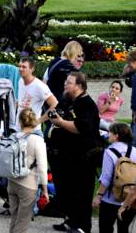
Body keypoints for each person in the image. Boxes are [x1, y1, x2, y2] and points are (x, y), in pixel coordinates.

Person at [44, 72, 100, 233]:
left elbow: (80, 128)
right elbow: (56, 111)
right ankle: (71, 220)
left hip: (82, 157)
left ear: (79, 86)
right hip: (64, 156)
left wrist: (60, 122)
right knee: (66, 191)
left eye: (69, 82)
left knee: (81, 192)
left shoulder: (86, 104)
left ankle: (83, 226)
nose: (65, 84)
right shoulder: (68, 99)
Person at [7, 108, 48, 233]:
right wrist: (45, 189)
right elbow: (42, 166)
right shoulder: (37, 140)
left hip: (11, 181)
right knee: (23, 222)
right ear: (35, 121)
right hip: (28, 184)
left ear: (20, 121)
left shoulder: (12, 136)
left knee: (14, 217)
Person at [93, 123, 136, 233]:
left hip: (111, 199)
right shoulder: (135, 151)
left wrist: (98, 196)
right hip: (130, 199)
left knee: (106, 228)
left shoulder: (109, 152)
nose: (108, 135)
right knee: (124, 229)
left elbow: (106, 178)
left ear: (116, 136)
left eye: (110, 132)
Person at [14, 56, 57, 131]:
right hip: (19, 128)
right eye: (19, 66)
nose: (20, 69)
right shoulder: (20, 81)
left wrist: (38, 121)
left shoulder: (40, 86)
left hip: (32, 131)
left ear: (32, 69)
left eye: (24, 67)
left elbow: (55, 104)